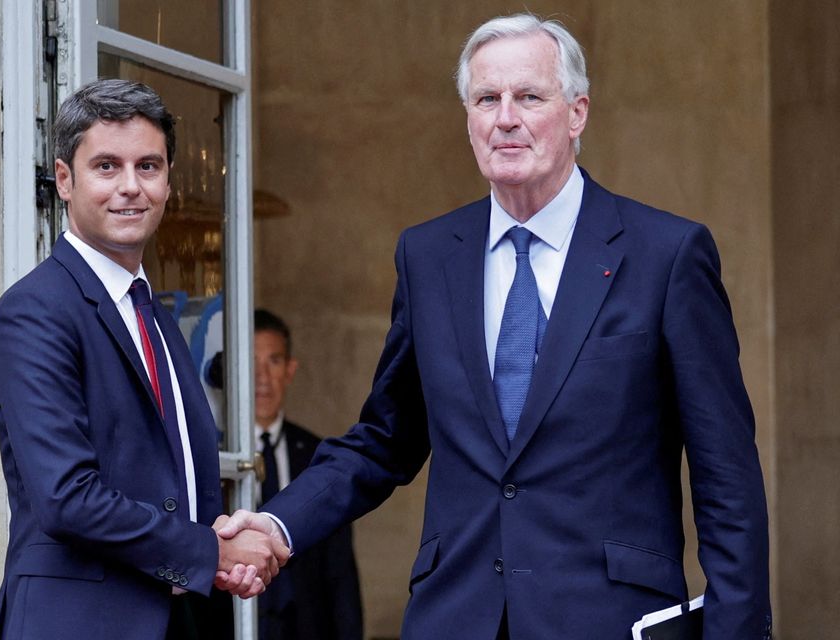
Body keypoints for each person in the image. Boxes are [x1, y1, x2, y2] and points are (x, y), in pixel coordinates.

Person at [218, 13, 772, 640]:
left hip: (610, 619)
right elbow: (386, 438)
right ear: (469, 119)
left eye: (529, 96)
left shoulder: (667, 254)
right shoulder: (428, 256)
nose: (505, 117)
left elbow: (727, 476)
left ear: (577, 113)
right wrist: (277, 525)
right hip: (457, 616)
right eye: (487, 98)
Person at [0, 78, 288, 640]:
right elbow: (67, 498)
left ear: (169, 183)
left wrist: (215, 540)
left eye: (148, 166)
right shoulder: (33, 311)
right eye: (107, 167)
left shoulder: (154, 314)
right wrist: (210, 552)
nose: (131, 187)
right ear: (64, 181)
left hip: (179, 619)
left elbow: (166, 476)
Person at [252, 309, 363, 640]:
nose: (261, 376)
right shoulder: (219, 457)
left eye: (273, 361)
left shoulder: (319, 455)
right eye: (251, 361)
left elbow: (340, 572)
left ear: (290, 370)